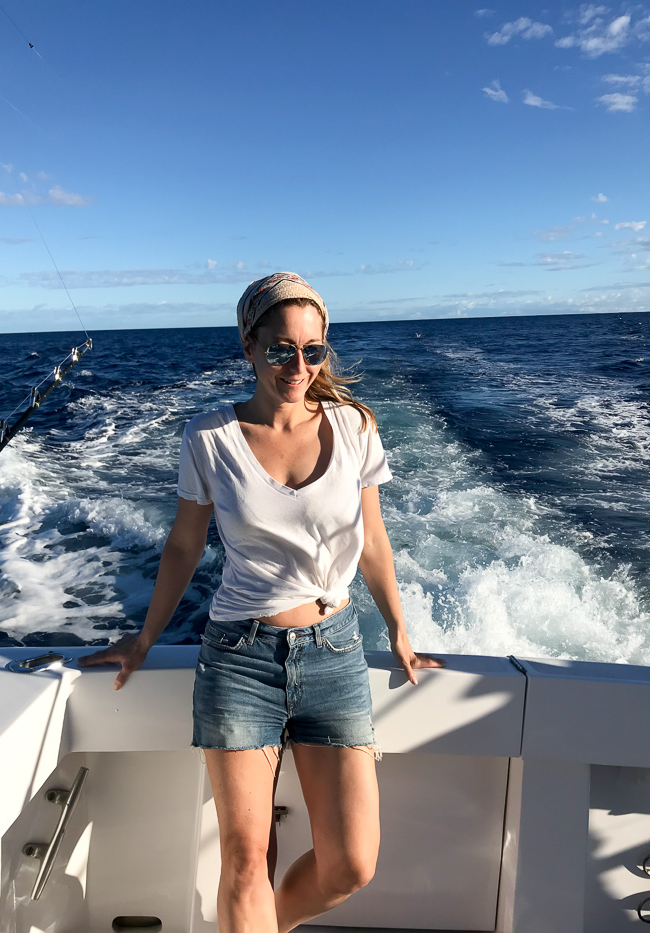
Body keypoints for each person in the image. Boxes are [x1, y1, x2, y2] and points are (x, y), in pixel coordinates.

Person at [79, 271, 445, 933]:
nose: (298, 365)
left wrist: (398, 628)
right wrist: (143, 638)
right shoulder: (210, 437)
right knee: (247, 859)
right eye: (281, 349)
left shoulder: (355, 427)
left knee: (352, 863)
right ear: (249, 347)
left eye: (312, 350)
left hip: (334, 653)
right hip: (239, 658)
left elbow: (375, 543)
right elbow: (183, 547)